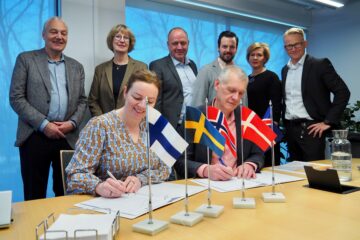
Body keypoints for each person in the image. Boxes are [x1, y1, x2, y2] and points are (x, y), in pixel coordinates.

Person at [9, 17, 87, 200]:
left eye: (63, 33)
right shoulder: (26, 59)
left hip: (67, 137)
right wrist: (44, 125)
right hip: (35, 135)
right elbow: (16, 98)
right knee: (34, 194)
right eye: (54, 31)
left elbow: (82, 100)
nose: (59, 36)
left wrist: (73, 123)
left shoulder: (77, 67)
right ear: (43, 35)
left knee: (67, 193)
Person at [66, 69, 170, 197]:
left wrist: (141, 179)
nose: (143, 106)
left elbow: (165, 168)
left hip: (143, 202)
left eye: (150, 102)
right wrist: (99, 186)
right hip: (106, 205)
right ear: (125, 92)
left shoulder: (154, 125)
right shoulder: (100, 126)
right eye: (137, 97)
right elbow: (74, 175)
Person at [174, 66, 264, 180]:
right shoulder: (195, 116)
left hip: (238, 182)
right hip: (206, 185)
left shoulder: (247, 118)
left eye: (241, 93)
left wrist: (250, 164)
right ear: (217, 85)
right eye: (231, 90)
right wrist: (205, 170)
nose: (236, 97)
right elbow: (179, 160)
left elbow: (258, 154)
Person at [282, 27, 350, 161]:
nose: (293, 48)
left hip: (312, 130)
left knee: (314, 174)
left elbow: (343, 92)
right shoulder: (285, 70)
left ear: (305, 44)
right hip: (290, 130)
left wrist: (328, 121)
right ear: (285, 48)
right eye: (289, 46)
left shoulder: (320, 64)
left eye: (297, 44)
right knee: (294, 174)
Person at [88, 24, 147, 117]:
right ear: (111, 41)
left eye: (126, 38)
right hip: (105, 125)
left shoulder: (141, 68)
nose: (122, 40)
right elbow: (93, 100)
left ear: (130, 43)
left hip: (131, 123)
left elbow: (143, 99)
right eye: (118, 37)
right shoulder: (100, 70)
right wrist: (103, 121)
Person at [149, 27, 197, 129]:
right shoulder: (157, 66)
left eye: (183, 43)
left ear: (188, 43)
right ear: (168, 45)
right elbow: (155, 101)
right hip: (171, 128)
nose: (179, 47)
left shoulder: (193, 65)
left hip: (194, 127)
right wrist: (158, 128)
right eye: (175, 43)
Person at [246, 42, 282, 166]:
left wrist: (273, 123)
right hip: (250, 127)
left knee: (268, 162)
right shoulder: (246, 79)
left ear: (265, 58)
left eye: (259, 55)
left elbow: (276, 102)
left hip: (266, 126)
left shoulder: (271, 77)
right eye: (252, 55)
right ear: (248, 57)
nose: (255, 58)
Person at [191, 30, 247, 107]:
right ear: (218, 47)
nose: (228, 50)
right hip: (211, 118)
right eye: (224, 46)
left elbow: (244, 107)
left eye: (232, 47)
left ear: (236, 49)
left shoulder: (241, 75)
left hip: (235, 119)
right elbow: (197, 104)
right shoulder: (206, 71)